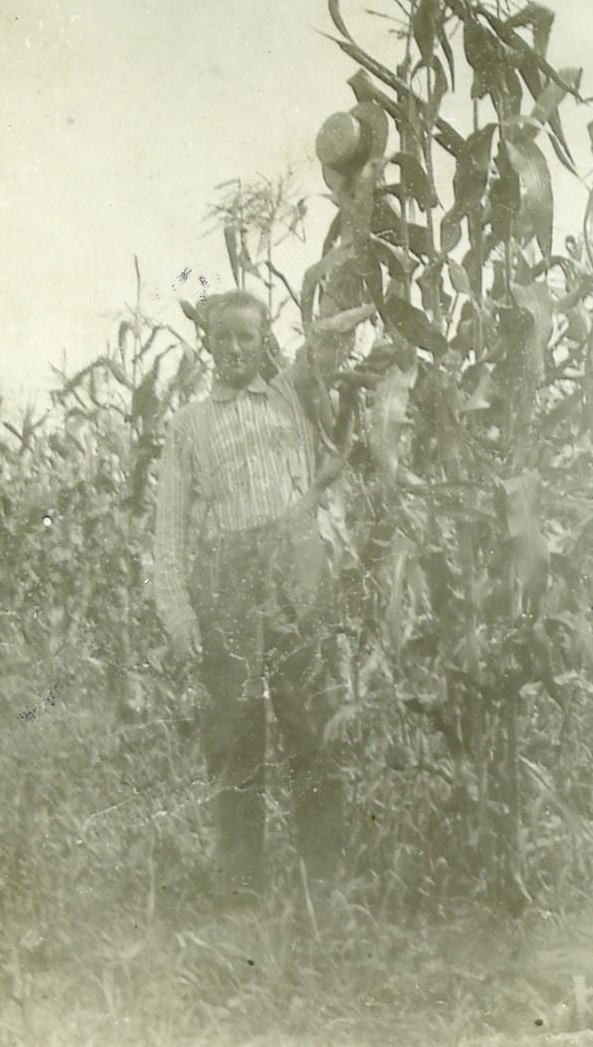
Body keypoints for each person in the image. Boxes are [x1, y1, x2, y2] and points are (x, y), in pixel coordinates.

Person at [154, 290, 345, 905]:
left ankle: (327, 881)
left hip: (295, 570)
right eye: (223, 337)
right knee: (235, 733)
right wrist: (179, 612)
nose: (235, 349)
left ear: (264, 340)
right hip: (229, 579)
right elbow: (171, 530)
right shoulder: (188, 426)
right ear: (206, 341)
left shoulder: (291, 398)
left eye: (247, 337)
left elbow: (328, 358)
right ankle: (240, 892)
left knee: (310, 721)